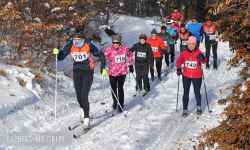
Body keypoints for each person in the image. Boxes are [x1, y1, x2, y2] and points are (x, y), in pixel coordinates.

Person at [53, 27, 107, 130]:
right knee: (78, 97)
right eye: (75, 39)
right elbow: (61, 57)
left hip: (88, 72)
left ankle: (86, 119)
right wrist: (57, 53)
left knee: (84, 95)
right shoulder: (70, 44)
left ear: (83, 39)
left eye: (79, 39)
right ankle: (83, 110)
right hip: (76, 72)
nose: (76, 41)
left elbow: (100, 54)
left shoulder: (89, 44)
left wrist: (103, 67)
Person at [176, 36, 207, 117]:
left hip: (197, 76)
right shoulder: (184, 53)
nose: (191, 45)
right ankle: (185, 109)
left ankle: (199, 106)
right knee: (185, 93)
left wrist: (202, 58)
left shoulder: (198, 52)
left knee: (197, 92)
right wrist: (178, 69)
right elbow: (178, 62)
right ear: (187, 44)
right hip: (186, 75)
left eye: (193, 44)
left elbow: (204, 61)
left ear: (195, 44)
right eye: (190, 44)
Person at [104, 34, 134, 113]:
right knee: (113, 88)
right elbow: (104, 57)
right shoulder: (109, 49)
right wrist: (102, 67)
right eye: (113, 42)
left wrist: (131, 65)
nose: (115, 44)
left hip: (122, 72)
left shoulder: (125, 49)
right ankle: (115, 101)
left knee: (120, 87)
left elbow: (130, 55)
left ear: (120, 42)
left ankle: (121, 104)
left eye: (117, 43)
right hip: (112, 72)